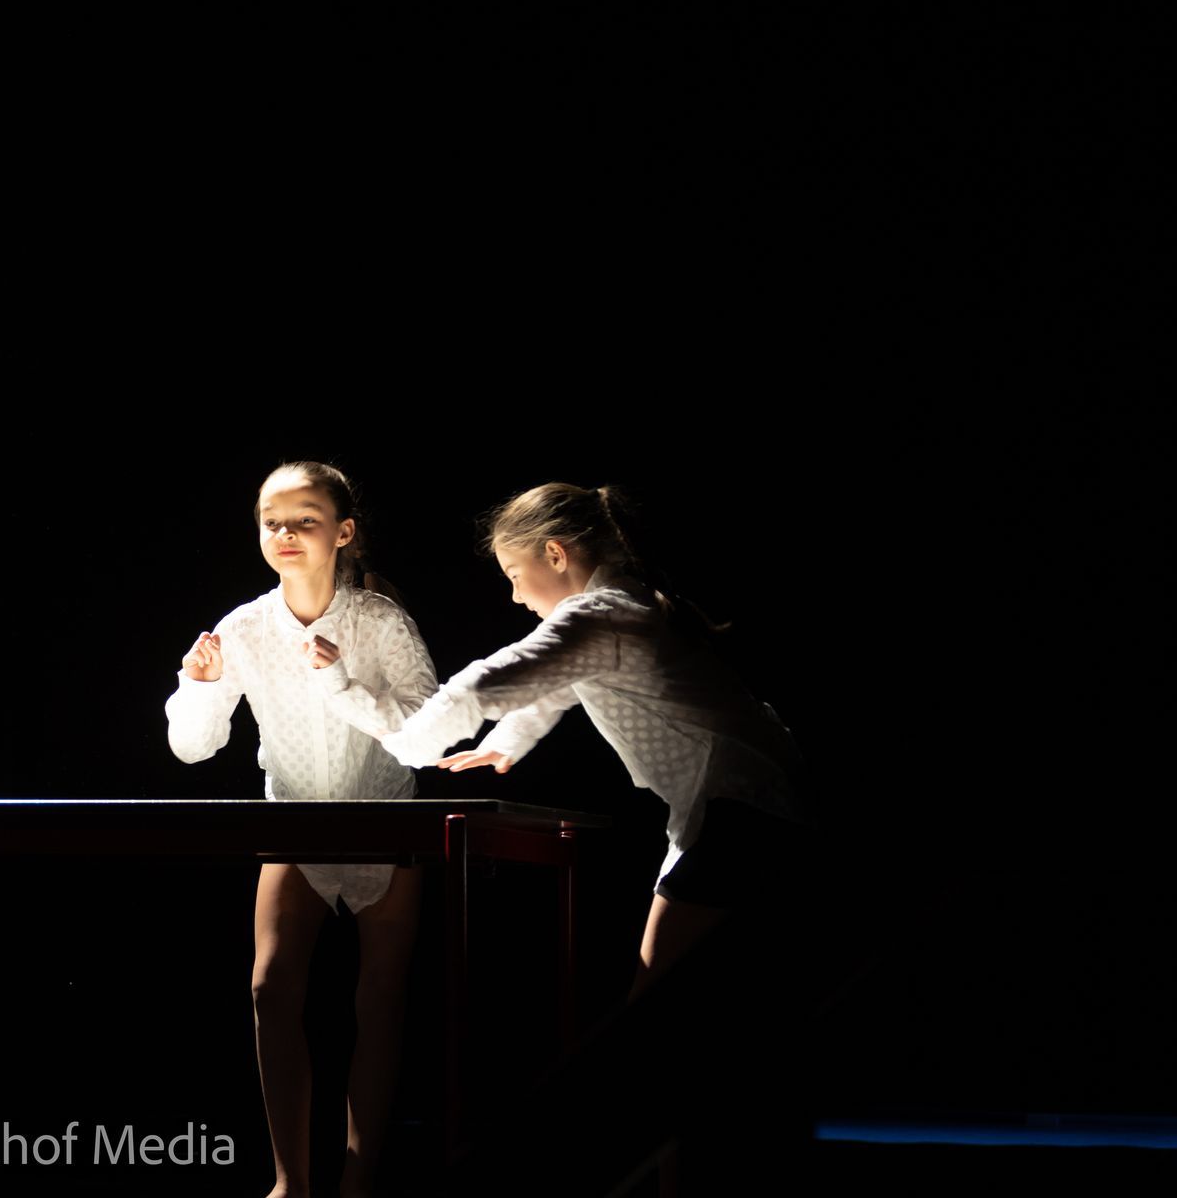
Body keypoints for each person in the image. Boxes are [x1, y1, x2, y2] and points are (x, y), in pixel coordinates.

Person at [383, 481, 811, 1002]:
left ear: (555, 554)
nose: (516, 596)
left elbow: (481, 685)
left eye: (514, 575)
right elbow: (559, 684)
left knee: (655, 998)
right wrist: (509, 739)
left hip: (741, 810)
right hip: (748, 804)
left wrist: (405, 747)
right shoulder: (625, 604)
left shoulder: (600, 614)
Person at [166, 461, 438, 1198]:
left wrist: (339, 684)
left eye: (305, 520)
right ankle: (291, 1182)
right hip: (294, 822)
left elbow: (428, 735)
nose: (285, 533)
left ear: (342, 532)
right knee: (271, 989)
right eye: (272, 522)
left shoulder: (380, 622)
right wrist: (197, 689)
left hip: (385, 823)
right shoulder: (243, 628)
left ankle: (359, 1179)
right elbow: (192, 748)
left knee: (379, 1001)